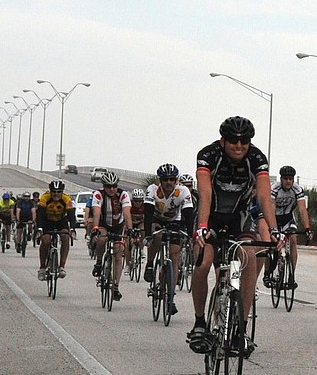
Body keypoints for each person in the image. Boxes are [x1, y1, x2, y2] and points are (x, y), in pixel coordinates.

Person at [187, 116, 282, 356]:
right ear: (223, 140)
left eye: (244, 141)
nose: (239, 146)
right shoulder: (209, 155)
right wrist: (202, 226)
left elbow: (263, 196)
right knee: (203, 262)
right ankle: (200, 322)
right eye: (233, 141)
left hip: (239, 218)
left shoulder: (257, 158)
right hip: (211, 216)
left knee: (249, 257)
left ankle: (241, 328)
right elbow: (205, 193)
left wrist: (274, 229)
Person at [144, 163, 193, 317]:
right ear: (160, 180)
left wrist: (190, 235)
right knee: (157, 235)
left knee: (175, 255)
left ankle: (171, 298)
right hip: (155, 218)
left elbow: (189, 213)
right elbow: (147, 212)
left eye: (172, 179)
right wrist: (147, 234)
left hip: (174, 221)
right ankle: (150, 264)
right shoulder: (153, 190)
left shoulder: (182, 191)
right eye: (165, 179)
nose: (168, 182)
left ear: (176, 180)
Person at [262, 165, 313, 288]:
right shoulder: (274, 188)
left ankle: (291, 275)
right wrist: (273, 229)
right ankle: (267, 273)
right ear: (281, 179)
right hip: (274, 217)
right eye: (285, 179)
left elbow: (302, 209)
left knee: (293, 240)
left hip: (287, 218)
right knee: (272, 244)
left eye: (290, 179)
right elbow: (271, 207)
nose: (288, 181)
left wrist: (307, 228)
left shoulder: (297, 189)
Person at [90, 171, 133, 301]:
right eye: (108, 186)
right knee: (102, 239)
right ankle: (98, 262)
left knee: (119, 253)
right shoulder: (98, 194)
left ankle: (115, 287)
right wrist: (95, 228)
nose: (112, 189)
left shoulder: (123, 194)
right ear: (104, 186)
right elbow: (96, 213)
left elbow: (127, 214)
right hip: (104, 224)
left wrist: (130, 230)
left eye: (114, 186)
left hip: (118, 226)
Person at [35, 179, 76, 280]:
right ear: (50, 191)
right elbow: (39, 214)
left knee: (65, 237)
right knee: (46, 241)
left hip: (60, 220)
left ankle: (62, 266)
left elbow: (71, 215)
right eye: (54, 192)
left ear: (62, 192)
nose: (56, 194)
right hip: (46, 220)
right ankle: (42, 267)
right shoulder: (45, 197)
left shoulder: (66, 199)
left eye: (58, 192)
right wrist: (40, 229)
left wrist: (73, 229)